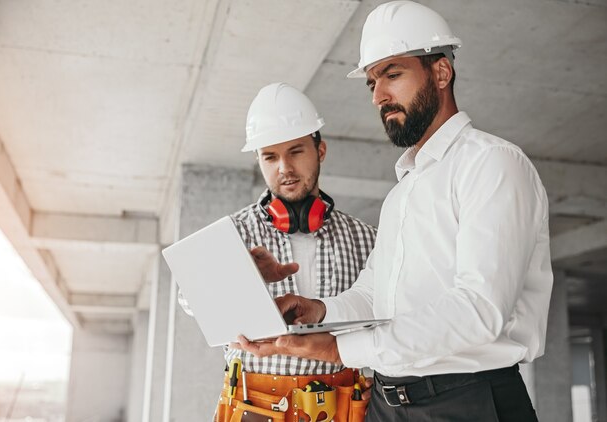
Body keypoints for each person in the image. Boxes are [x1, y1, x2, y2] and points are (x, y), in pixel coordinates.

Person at [234, 2, 553, 421]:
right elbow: (375, 294)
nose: (379, 96)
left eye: (393, 74)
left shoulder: (491, 164)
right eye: (371, 82)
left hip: (465, 401)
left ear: (441, 73)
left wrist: (339, 348)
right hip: (387, 405)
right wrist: (320, 311)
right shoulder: (402, 193)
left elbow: (479, 309)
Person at [179, 82, 377, 422]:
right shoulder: (235, 233)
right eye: (270, 156)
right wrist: (237, 276)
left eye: (296, 151)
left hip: (345, 405)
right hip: (257, 407)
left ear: (321, 150)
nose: (283, 167)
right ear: (259, 161)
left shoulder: (365, 238)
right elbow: (189, 298)